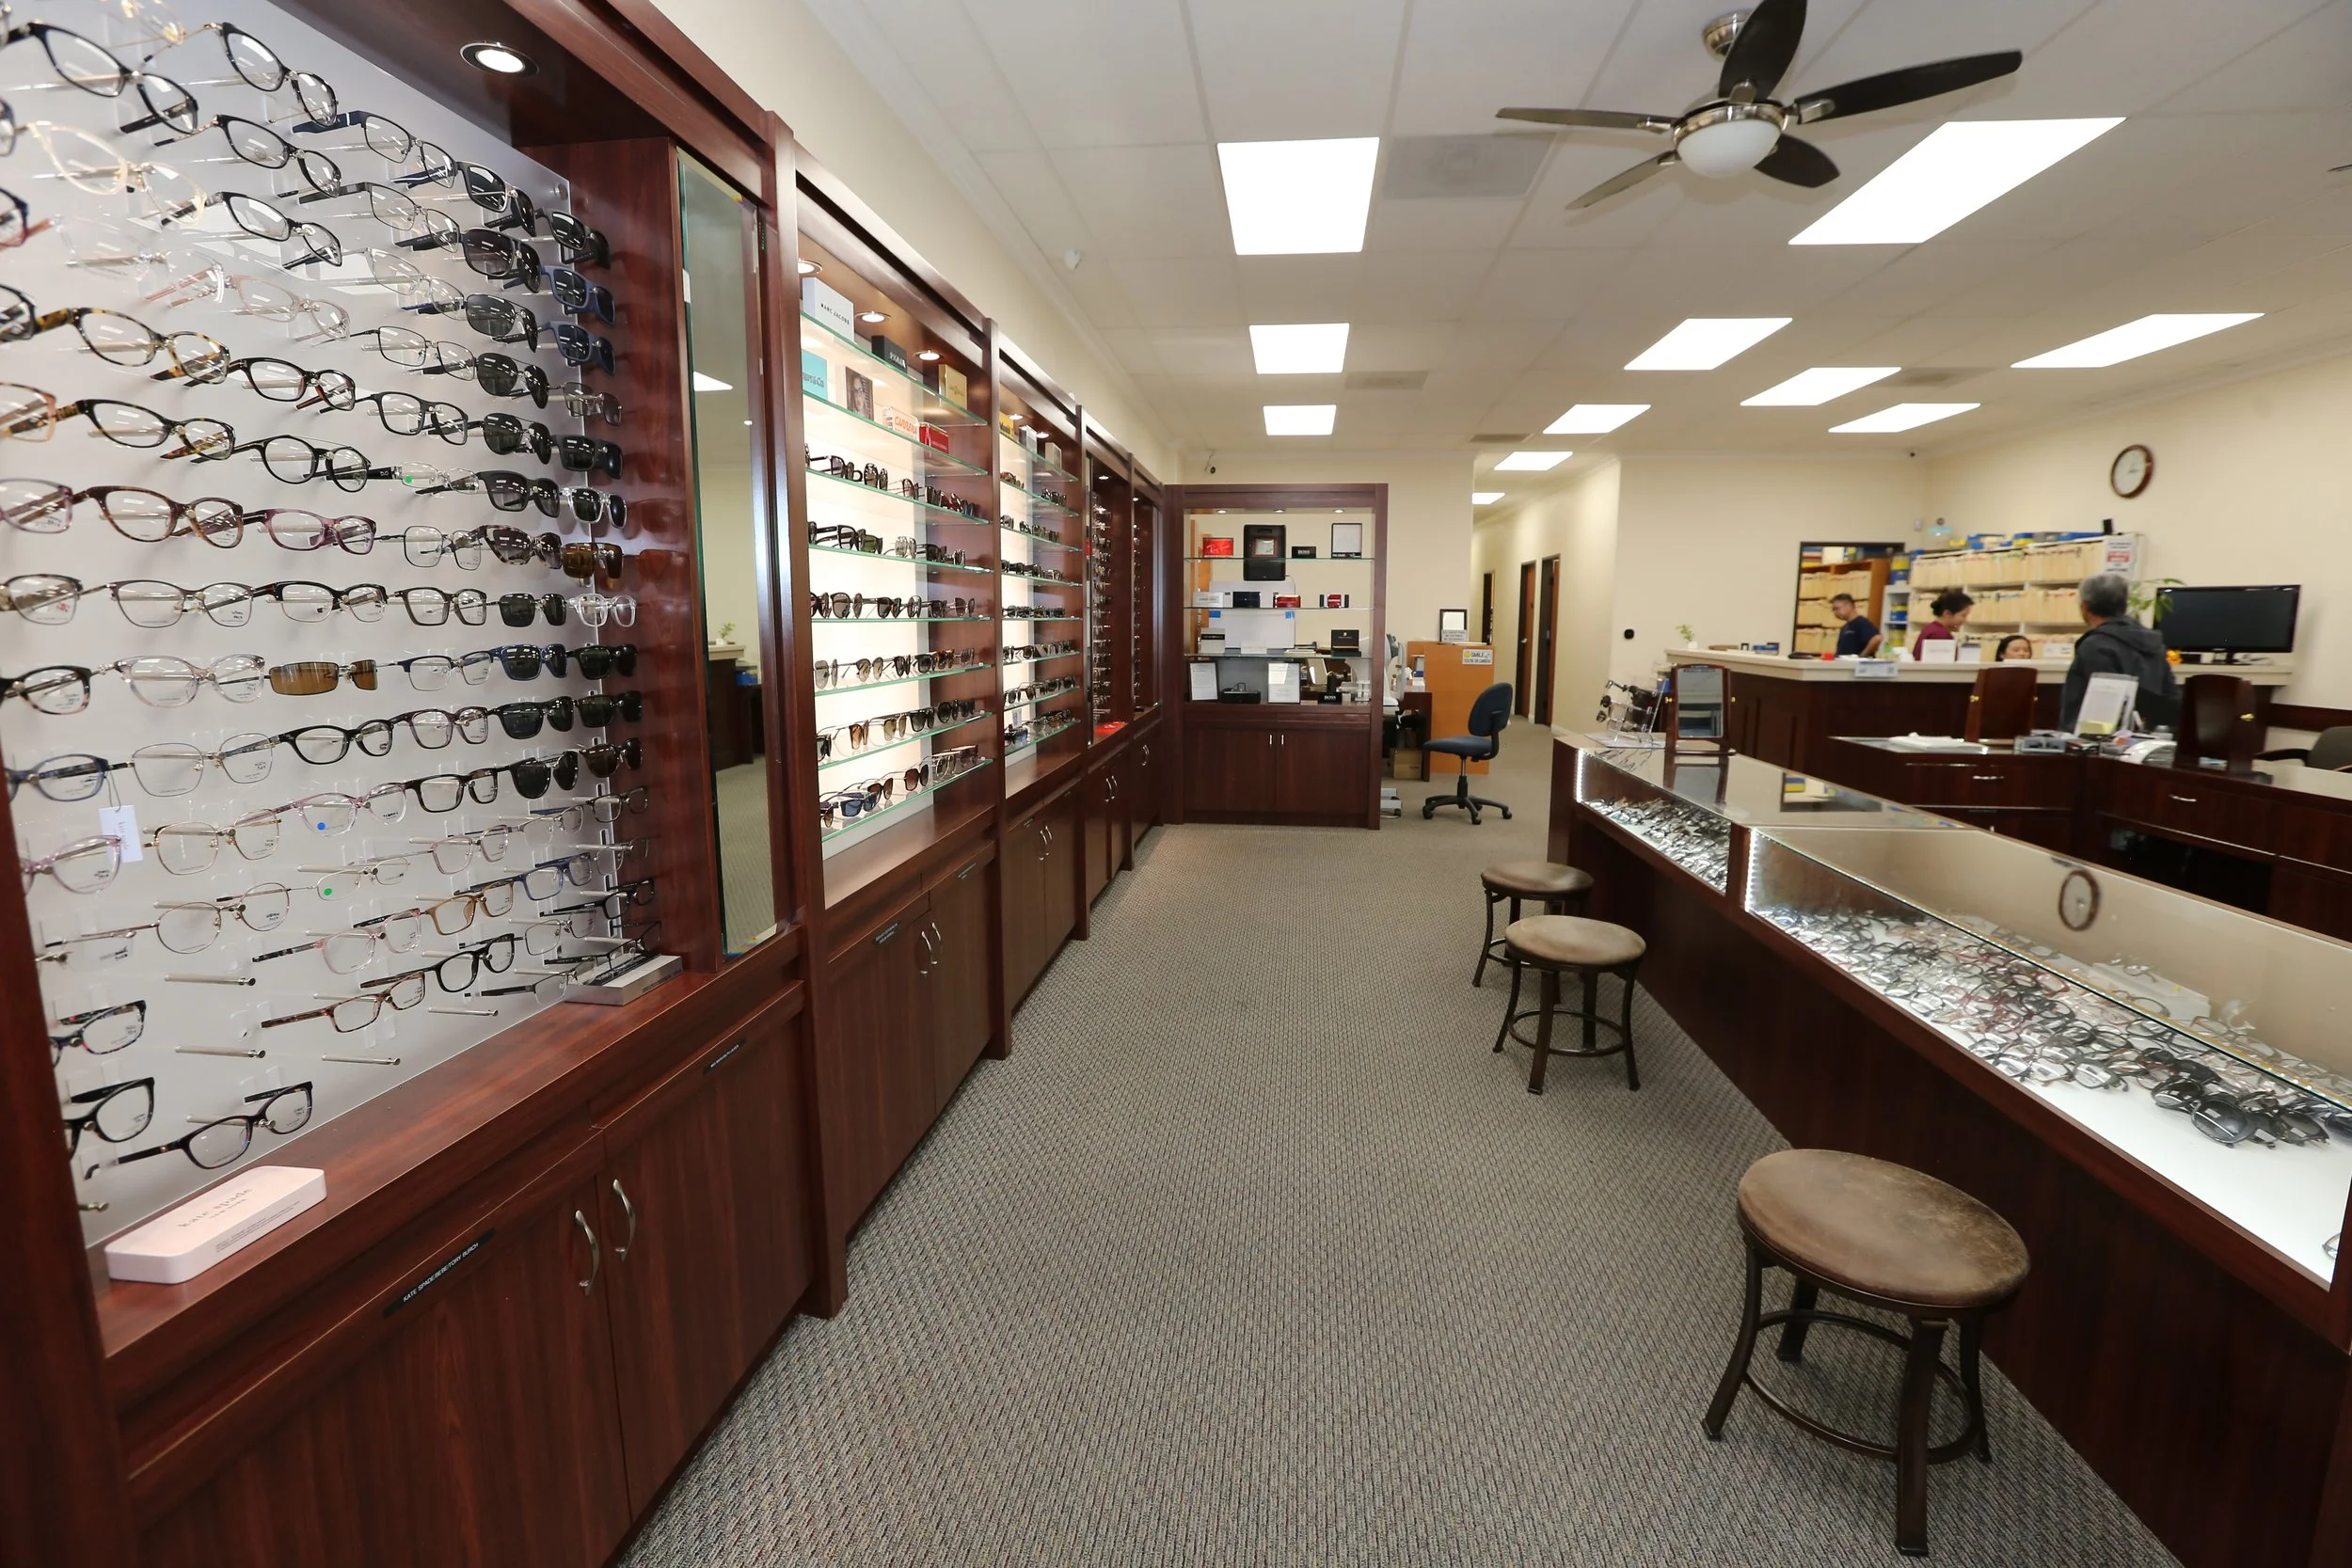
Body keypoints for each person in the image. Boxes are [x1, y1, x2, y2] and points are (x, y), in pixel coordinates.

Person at [2061, 572, 2180, 731]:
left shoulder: (2095, 645)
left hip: (2099, 744)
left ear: (2085, 606)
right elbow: (2172, 698)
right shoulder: (2153, 642)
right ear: (2124, 605)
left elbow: (2102, 708)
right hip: (2150, 739)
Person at [1909, 591, 1974, 659]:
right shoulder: (1940, 634)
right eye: (1963, 615)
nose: (1965, 620)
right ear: (1947, 613)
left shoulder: (1931, 628)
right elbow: (1942, 666)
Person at [1828, 592, 1882, 657]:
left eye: (1837, 608)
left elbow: (1877, 638)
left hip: (1855, 665)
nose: (1835, 612)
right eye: (1833, 610)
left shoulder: (1861, 622)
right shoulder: (1845, 627)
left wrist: (1862, 656)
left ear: (1849, 605)